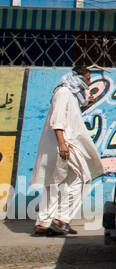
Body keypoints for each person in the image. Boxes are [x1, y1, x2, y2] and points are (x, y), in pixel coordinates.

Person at [31, 64, 104, 236]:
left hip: (65, 143)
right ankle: (61, 219)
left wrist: (85, 105)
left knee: (55, 184)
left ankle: (43, 223)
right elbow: (57, 119)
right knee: (83, 178)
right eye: (87, 79)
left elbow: (71, 117)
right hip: (64, 144)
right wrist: (62, 144)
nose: (89, 82)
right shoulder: (63, 92)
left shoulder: (71, 95)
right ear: (77, 77)